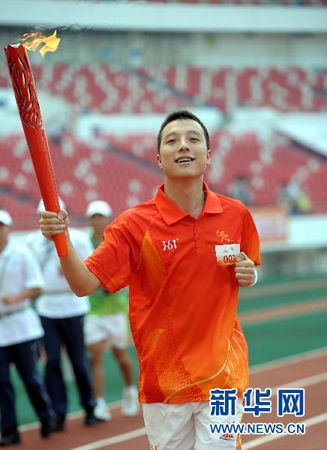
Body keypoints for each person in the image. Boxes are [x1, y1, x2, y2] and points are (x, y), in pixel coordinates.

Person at [39, 110, 260, 450]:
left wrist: (250, 273)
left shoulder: (236, 215)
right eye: (172, 141)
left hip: (222, 379)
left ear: (209, 155)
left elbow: (245, 267)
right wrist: (62, 240)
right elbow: (83, 285)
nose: (182, 146)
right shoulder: (133, 225)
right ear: (159, 158)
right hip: (165, 384)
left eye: (193, 139)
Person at [27, 200, 97, 432]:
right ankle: (59, 412)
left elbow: (90, 266)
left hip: (73, 306)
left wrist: (69, 267)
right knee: (53, 362)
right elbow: (30, 271)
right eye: (43, 214)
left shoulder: (77, 238)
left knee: (79, 360)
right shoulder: (33, 243)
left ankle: (89, 407)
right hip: (47, 308)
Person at [0, 209, 55, 446]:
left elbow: (37, 286)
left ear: (9, 229)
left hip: (22, 326)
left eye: (0, 226)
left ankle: (46, 417)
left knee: (31, 379)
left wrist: (16, 297)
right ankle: (10, 430)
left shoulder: (21, 253)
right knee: (2, 383)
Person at [84, 200, 139, 421]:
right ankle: (99, 402)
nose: (97, 221)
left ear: (107, 219)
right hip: (94, 311)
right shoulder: (85, 242)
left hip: (115, 309)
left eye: (100, 217)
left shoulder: (115, 241)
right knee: (95, 356)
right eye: (93, 217)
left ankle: (129, 390)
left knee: (121, 356)